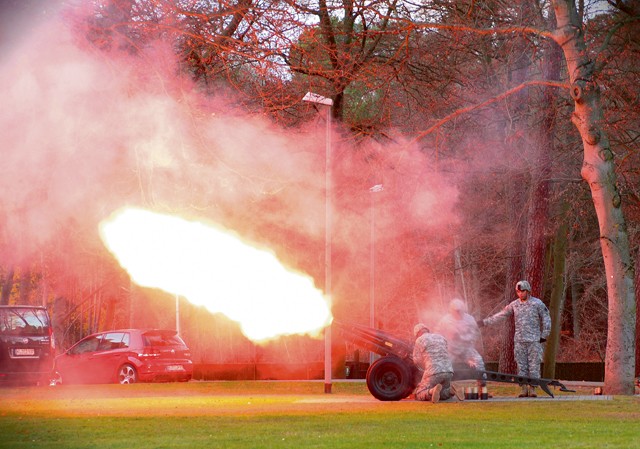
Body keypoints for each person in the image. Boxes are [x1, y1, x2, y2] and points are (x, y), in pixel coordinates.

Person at [477, 280, 551, 398]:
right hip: (519, 340)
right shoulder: (514, 305)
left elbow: (546, 318)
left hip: (534, 340)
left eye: (522, 291)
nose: (520, 294)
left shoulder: (537, 304)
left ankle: (533, 389)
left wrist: (544, 335)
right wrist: (484, 322)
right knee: (521, 366)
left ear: (528, 291)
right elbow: (501, 315)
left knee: (534, 365)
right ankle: (523, 388)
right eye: (518, 292)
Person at [435, 298, 487, 390]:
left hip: (466, 348)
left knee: (478, 362)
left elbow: (475, 332)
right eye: (455, 310)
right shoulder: (445, 320)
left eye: (459, 310)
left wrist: (466, 338)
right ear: (451, 309)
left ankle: (482, 387)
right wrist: (443, 344)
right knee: (444, 367)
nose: (457, 312)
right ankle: (441, 388)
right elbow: (438, 333)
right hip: (451, 349)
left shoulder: (470, 319)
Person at [411, 323, 463, 403]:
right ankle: (451, 391)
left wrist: (424, 367)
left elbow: (416, 360)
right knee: (441, 393)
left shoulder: (419, 340)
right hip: (449, 370)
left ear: (417, 333)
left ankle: (432, 391)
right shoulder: (440, 337)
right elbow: (445, 352)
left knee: (419, 393)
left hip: (433, 371)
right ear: (427, 330)